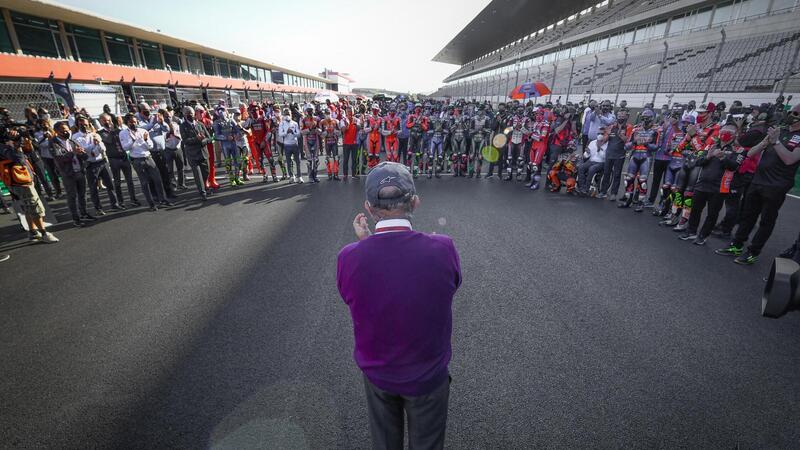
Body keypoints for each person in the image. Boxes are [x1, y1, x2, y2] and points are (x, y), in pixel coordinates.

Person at [337, 162, 461, 450]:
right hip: (428, 375)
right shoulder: (442, 248)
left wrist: (366, 243)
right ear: (414, 202)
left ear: (369, 208)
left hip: (379, 374)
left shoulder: (349, 257)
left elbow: (355, 293)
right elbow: (449, 285)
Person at [716, 104, 800, 265]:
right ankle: (736, 245)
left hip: (777, 186)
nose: (791, 115)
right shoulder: (780, 130)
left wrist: (776, 142)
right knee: (747, 215)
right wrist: (765, 142)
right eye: (790, 112)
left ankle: (753, 252)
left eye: (795, 113)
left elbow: (790, 160)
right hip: (758, 180)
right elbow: (751, 152)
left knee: (766, 221)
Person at [0, 136, 58, 243]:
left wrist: (23, 142)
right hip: (20, 182)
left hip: (21, 180)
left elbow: (30, 152)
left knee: (28, 207)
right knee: (35, 207)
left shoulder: (7, 145)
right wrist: (16, 146)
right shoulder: (3, 147)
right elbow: (19, 159)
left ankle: (33, 232)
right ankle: (44, 233)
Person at [119, 114, 171, 211]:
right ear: (127, 123)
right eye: (131, 122)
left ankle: (163, 200)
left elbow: (150, 146)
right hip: (137, 160)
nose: (133, 124)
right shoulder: (123, 133)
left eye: (135, 122)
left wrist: (146, 140)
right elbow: (125, 147)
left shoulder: (143, 131)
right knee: (144, 183)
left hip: (148, 157)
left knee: (158, 179)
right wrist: (133, 140)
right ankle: (151, 204)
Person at [49, 121, 95, 226]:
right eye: (63, 131)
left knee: (82, 195)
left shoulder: (71, 141)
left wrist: (82, 152)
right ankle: (76, 218)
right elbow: (60, 159)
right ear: (56, 131)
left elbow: (85, 157)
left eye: (67, 130)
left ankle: (84, 213)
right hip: (68, 174)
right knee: (72, 196)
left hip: (79, 171)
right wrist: (73, 152)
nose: (66, 132)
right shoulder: (53, 143)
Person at [72, 116, 120, 215]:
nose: (84, 126)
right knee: (93, 188)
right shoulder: (76, 137)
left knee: (110, 185)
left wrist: (95, 148)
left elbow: (102, 148)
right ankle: (98, 208)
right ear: (77, 125)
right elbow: (84, 150)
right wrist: (94, 145)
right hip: (90, 165)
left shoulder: (94, 134)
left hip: (102, 161)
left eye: (86, 124)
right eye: (81, 124)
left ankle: (114, 204)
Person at [98, 113, 139, 207]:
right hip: (113, 159)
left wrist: (117, 129)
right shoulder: (100, 133)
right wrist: (112, 130)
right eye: (105, 120)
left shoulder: (119, 131)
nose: (107, 122)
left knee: (130, 180)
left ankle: (133, 199)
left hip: (124, 157)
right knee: (117, 182)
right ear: (101, 122)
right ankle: (120, 201)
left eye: (109, 120)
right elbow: (108, 140)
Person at [179, 106, 212, 201]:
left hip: (203, 153)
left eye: (191, 114)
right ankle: (202, 192)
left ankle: (205, 186)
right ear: (185, 115)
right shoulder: (183, 126)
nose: (190, 115)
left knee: (206, 172)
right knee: (198, 175)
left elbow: (209, 138)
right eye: (188, 114)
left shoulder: (200, 124)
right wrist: (196, 139)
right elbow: (185, 141)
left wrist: (203, 140)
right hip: (193, 155)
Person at [598, 108, 631, 200]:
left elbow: (629, 142)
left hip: (620, 155)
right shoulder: (612, 127)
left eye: (623, 116)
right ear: (616, 116)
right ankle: (603, 192)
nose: (621, 117)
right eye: (619, 116)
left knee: (617, 174)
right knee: (606, 173)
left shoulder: (629, 127)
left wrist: (621, 135)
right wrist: (606, 134)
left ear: (626, 117)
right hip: (609, 154)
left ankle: (614, 193)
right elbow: (604, 140)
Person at [577, 128, 608, 196]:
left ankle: (586, 188)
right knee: (581, 167)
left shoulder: (607, 144)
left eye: (602, 134)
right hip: (591, 160)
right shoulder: (592, 142)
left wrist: (599, 148)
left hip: (601, 162)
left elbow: (604, 157)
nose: (600, 135)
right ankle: (582, 187)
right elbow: (586, 155)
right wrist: (587, 153)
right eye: (598, 133)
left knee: (592, 169)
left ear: (605, 135)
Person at [278, 108, 303, 183]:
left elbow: (298, 134)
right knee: (289, 162)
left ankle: (299, 177)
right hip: (287, 145)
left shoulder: (295, 123)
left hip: (295, 144)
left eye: (288, 114)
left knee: (298, 161)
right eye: (286, 114)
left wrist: (293, 133)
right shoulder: (282, 123)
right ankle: (292, 177)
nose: (287, 116)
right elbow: (280, 134)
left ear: (291, 115)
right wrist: (286, 132)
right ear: (283, 115)